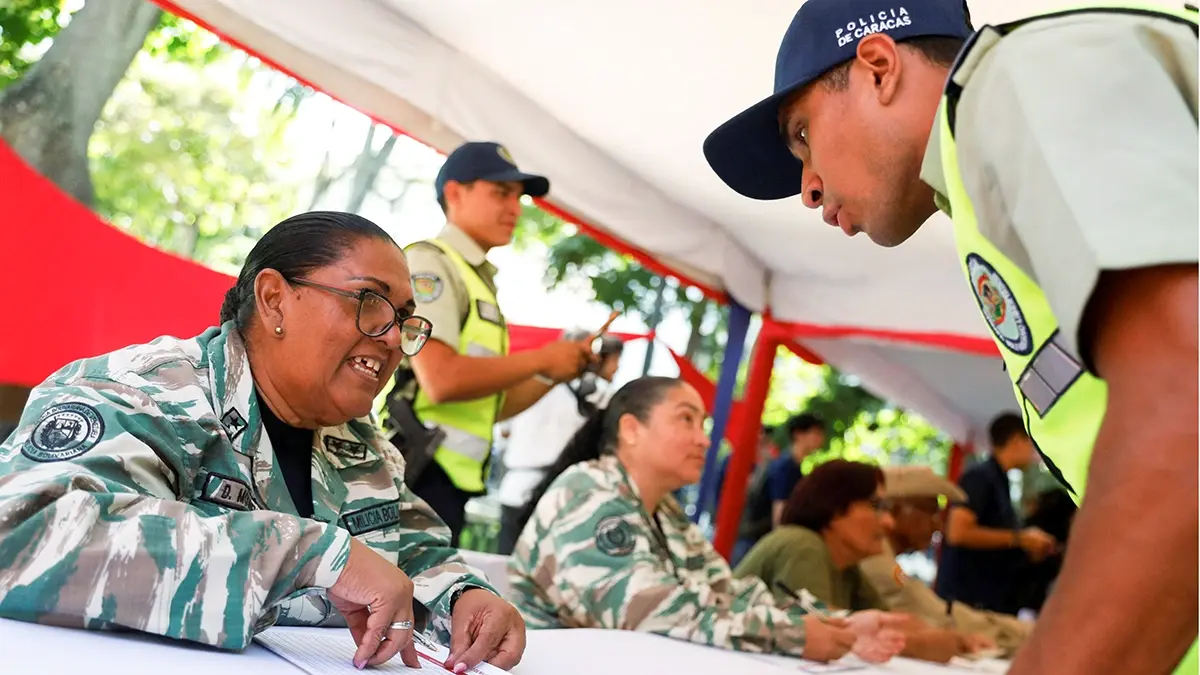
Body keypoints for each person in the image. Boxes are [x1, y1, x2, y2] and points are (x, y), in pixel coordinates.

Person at [703, 0, 1197, 671]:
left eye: (801, 136)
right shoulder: (983, 170)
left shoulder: (1019, 83)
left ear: (878, 67)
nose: (807, 189)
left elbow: (1183, 408)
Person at [0, 213, 525, 672]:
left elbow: (412, 552)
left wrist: (464, 597)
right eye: (371, 302)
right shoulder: (140, 391)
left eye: (405, 319)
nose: (392, 338)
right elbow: (18, 533)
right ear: (274, 300)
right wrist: (308, 555)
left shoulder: (364, 448)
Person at [506, 376, 907, 664]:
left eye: (704, 425)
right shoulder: (588, 491)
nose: (703, 439)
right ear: (631, 428)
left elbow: (726, 593)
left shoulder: (664, 511)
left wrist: (841, 623)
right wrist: (795, 635)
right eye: (686, 420)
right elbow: (651, 612)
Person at [386, 141, 594, 544]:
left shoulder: (475, 279)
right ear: (454, 193)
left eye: (518, 197)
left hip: (448, 481)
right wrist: (541, 360)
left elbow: (491, 407)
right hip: (419, 474)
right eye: (501, 193)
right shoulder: (433, 264)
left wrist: (554, 371)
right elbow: (442, 379)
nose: (515, 208)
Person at [735, 459, 994, 663]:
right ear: (835, 507)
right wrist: (924, 642)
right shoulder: (803, 544)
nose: (888, 521)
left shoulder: (849, 569)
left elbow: (898, 623)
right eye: (877, 506)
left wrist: (949, 640)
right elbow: (823, 634)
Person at [860, 465, 1034, 656]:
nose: (938, 526)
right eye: (931, 512)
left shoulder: (882, 559)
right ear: (896, 508)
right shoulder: (876, 558)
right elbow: (932, 613)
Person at [496, 331, 624, 554]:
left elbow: (503, 433)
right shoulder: (601, 393)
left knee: (506, 572)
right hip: (563, 499)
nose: (617, 367)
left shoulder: (523, 382)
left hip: (515, 489)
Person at [936, 414, 1055, 613]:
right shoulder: (980, 477)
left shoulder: (1001, 481)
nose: (1033, 452)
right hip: (966, 600)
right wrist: (1020, 539)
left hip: (988, 598)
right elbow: (958, 533)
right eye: (1030, 443)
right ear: (1016, 440)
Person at [765, 413, 826, 526]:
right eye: (816, 433)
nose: (820, 438)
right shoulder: (785, 467)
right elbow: (779, 511)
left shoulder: (794, 466)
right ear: (798, 434)